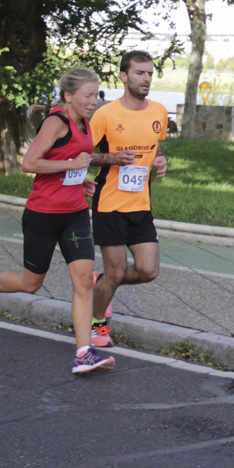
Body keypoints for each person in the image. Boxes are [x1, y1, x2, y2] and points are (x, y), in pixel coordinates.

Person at [0, 67, 114, 374]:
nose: (93, 101)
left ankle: (83, 353)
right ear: (69, 96)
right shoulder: (56, 122)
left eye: (96, 95)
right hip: (43, 215)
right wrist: (71, 165)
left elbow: (71, 162)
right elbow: (29, 162)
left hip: (74, 214)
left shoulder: (85, 123)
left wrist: (78, 178)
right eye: (87, 95)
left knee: (84, 279)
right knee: (31, 283)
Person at [87, 51, 168, 347]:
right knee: (117, 271)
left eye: (149, 73)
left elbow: (156, 149)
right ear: (124, 76)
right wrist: (112, 158)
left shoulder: (159, 112)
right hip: (109, 204)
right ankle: (97, 323)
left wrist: (161, 161)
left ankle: (101, 285)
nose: (146, 79)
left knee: (148, 271)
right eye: (139, 73)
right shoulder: (105, 114)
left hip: (140, 204)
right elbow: (84, 154)